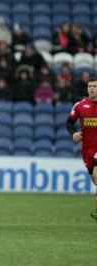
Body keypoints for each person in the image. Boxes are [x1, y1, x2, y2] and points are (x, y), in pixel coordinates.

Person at [66, 77, 97, 221]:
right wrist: (73, 133)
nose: (92, 88)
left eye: (95, 86)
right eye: (90, 86)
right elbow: (69, 122)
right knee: (94, 180)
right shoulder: (80, 105)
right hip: (86, 148)